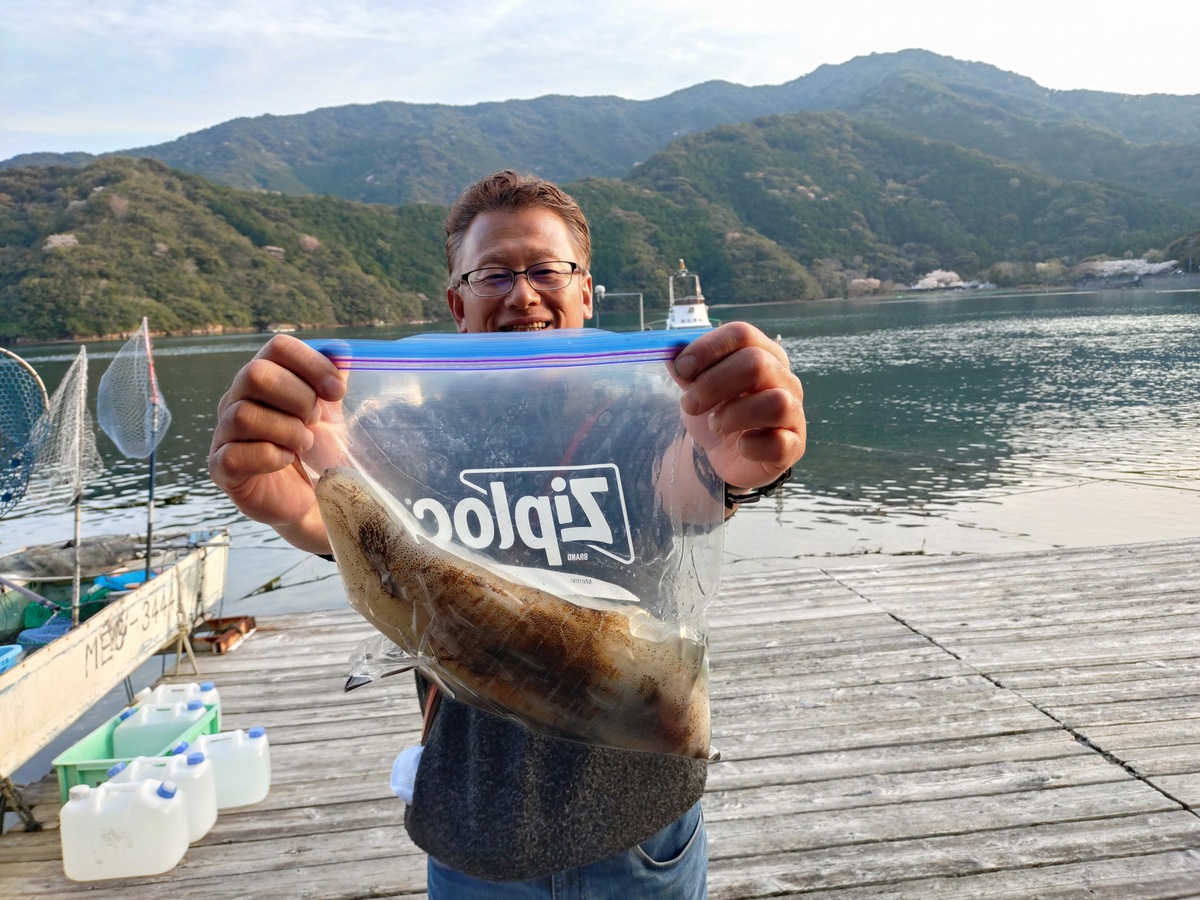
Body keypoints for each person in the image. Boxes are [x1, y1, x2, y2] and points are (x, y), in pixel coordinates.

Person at [209, 170, 806, 897]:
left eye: (547, 271)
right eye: (493, 275)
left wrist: (744, 456)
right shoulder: (403, 439)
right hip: (471, 833)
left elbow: (693, 476)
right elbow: (343, 520)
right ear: (457, 304)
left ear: (586, 293)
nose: (523, 295)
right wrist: (287, 502)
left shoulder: (646, 422)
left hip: (642, 830)